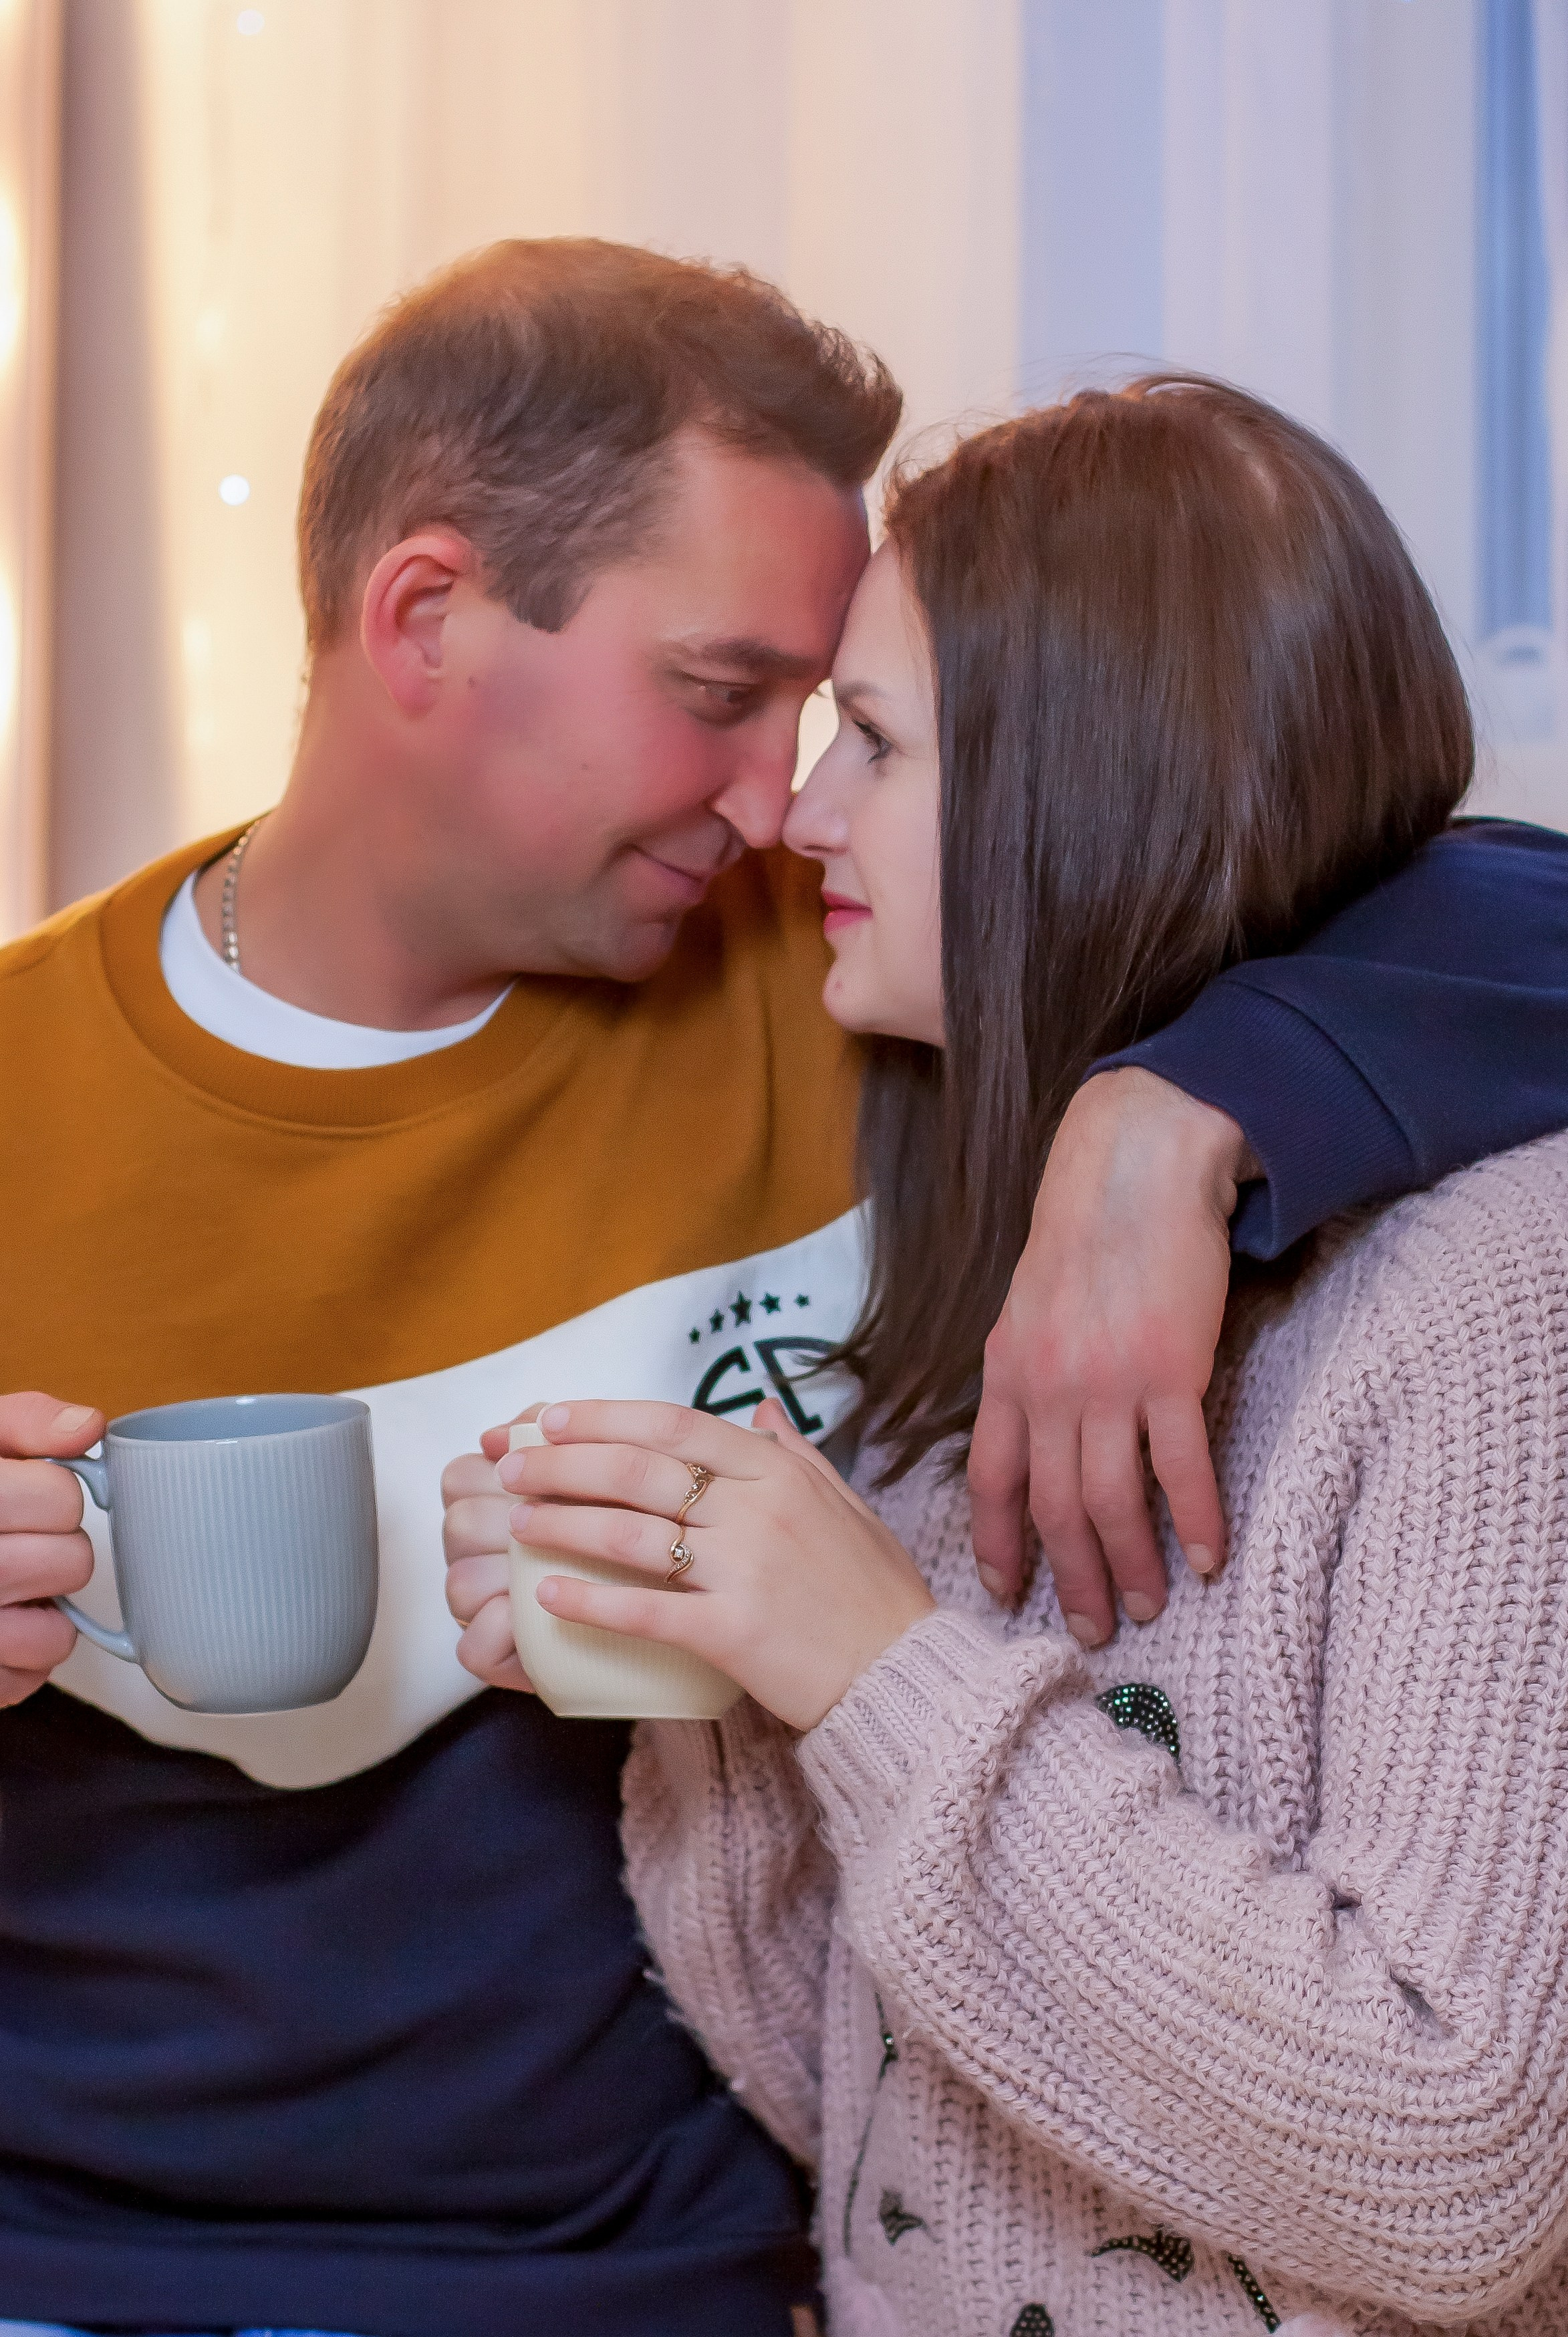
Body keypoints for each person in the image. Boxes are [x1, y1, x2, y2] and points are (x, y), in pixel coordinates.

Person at [0, 235, 1565, 2337]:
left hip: (660, 2269)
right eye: (723, 697)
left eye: (840, 723)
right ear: (428, 620)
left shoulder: (860, 1000)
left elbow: (1327, 839)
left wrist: (1184, 1107)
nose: (776, 801)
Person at [459, 379, 1568, 2332]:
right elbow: (874, 2122)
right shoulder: (978, 1254)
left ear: (1094, 776)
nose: (794, 818)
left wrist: (867, 1666)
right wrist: (706, 1688)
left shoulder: (1483, 1303)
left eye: (868, 743)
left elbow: (1453, 2170)